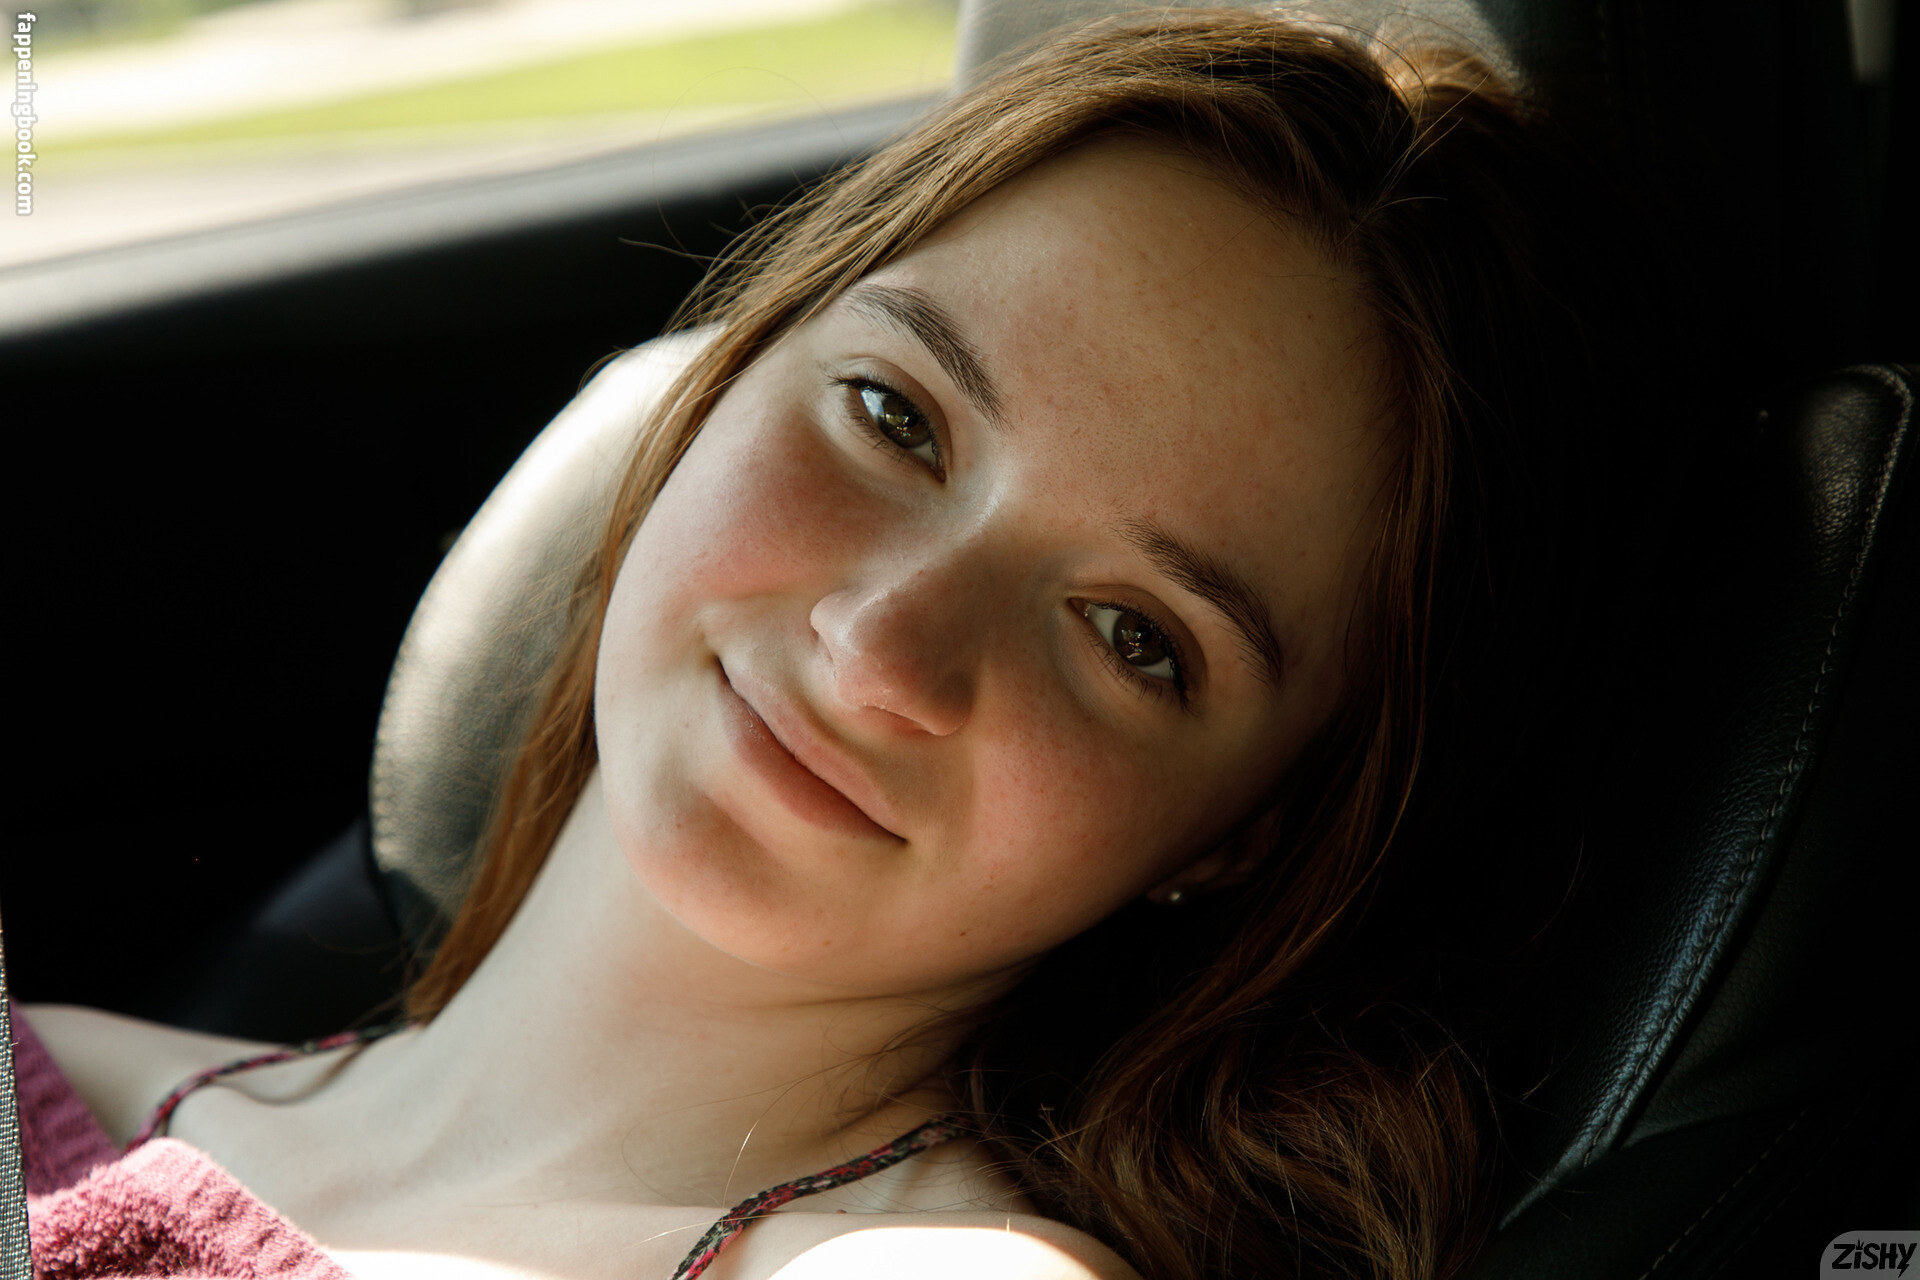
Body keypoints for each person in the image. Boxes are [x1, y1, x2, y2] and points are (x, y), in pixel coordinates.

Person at [18, 9, 1655, 1279]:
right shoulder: (56, 1066)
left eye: (1131, 637)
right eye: (896, 417)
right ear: (732, 374)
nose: (883, 649)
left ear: (1242, 835)